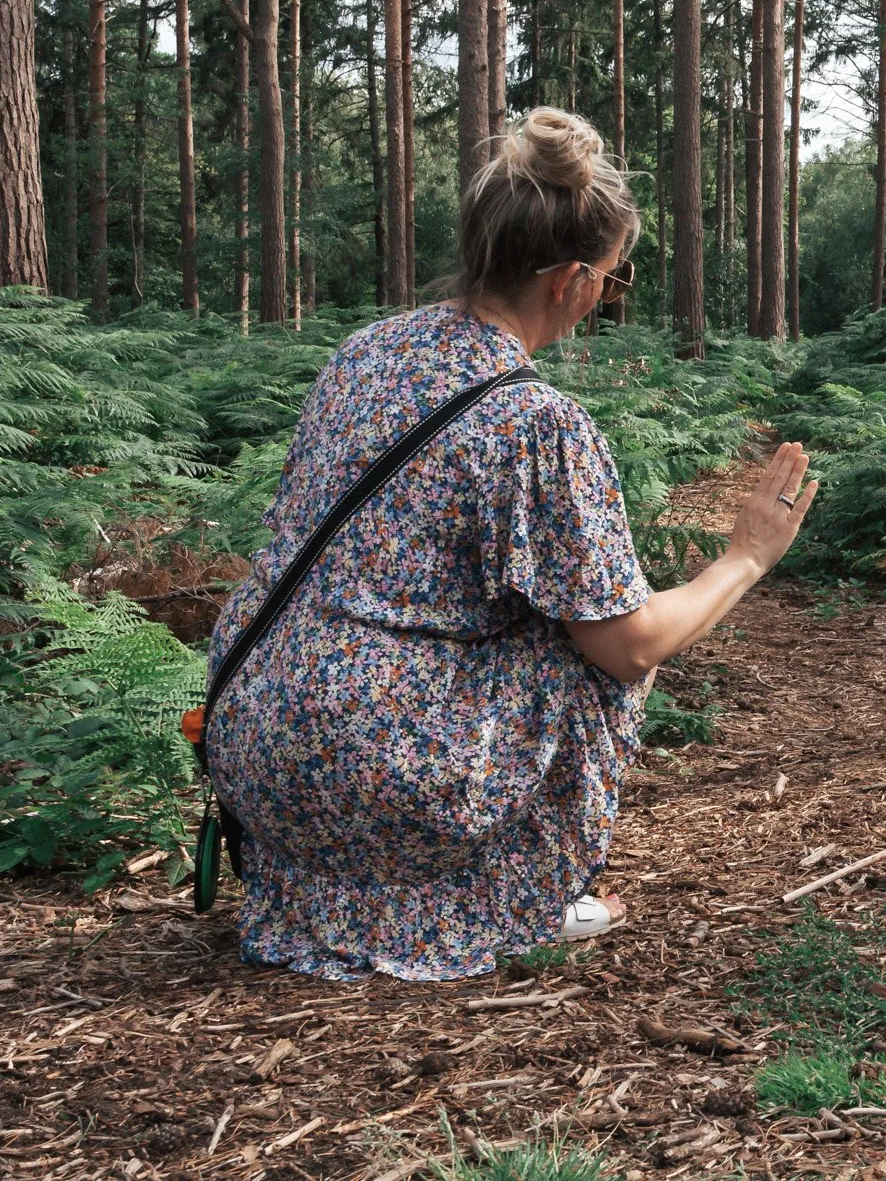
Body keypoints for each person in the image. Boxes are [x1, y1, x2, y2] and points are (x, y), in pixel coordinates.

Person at [206, 108, 817, 980]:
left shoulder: (363, 352)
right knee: (599, 646)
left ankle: (336, 893)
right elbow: (630, 641)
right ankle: (517, 888)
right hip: (367, 763)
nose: (610, 295)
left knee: (554, 608)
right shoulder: (537, 421)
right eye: (614, 279)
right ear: (569, 280)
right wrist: (747, 555)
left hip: (252, 735)